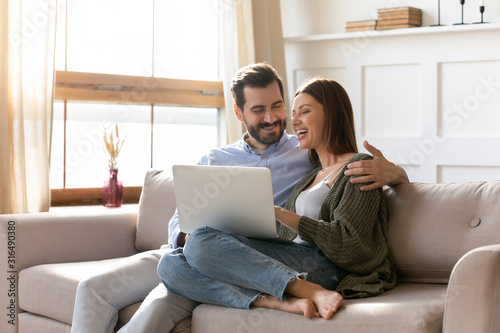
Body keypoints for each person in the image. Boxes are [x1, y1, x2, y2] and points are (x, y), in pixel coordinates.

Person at [71, 63, 407, 333]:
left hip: (269, 253)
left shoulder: (305, 152)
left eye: (278, 106)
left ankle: (290, 289)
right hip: (203, 247)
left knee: (166, 293)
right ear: (238, 112)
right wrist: (187, 235)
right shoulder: (217, 159)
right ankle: (276, 298)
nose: (274, 118)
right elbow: (180, 217)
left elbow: (355, 192)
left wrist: (396, 174)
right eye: (259, 109)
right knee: (142, 271)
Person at [156, 76, 397, 321]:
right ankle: (277, 303)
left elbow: (352, 248)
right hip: (293, 257)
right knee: (170, 264)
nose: (294, 121)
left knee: (200, 243)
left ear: (331, 114)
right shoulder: (312, 174)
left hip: (325, 266)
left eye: (305, 111)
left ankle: (307, 289)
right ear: (239, 113)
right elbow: (286, 240)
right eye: (294, 113)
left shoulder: (358, 166)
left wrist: (279, 213)